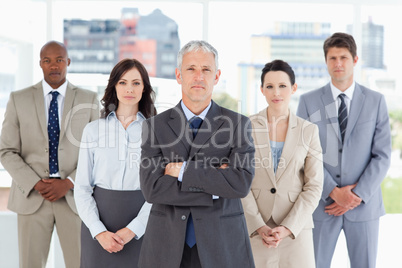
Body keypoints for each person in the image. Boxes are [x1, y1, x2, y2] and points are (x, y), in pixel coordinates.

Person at [138, 40, 255, 268]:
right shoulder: (155, 126)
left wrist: (181, 171)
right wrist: (214, 190)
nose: (198, 76)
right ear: (179, 75)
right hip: (168, 244)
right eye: (191, 69)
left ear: (217, 76)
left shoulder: (238, 124)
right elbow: (151, 189)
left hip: (222, 243)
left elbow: (240, 184)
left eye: (206, 70)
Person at [0, 40, 99, 268]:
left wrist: (70, 182)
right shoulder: (19, 99)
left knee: (80, 264)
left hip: (75, 199)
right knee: (31, 264)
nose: (54, 65)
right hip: (32, 198)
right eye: (47, 61)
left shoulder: (89, 100)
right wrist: (35, 182)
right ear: (40, 64)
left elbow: (97, 151)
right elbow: (6, 150)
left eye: (59, 60)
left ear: (68, 62)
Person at [296, 32, 392, 268]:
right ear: (326, 61)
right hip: (322, 205)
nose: (338, 63)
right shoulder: (308, 102)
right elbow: (303, 152)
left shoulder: (376, 101)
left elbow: (382, 155)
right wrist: (332, 190)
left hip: (364, 207)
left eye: (343, 57)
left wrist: (356, 195)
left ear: (355, 60)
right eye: (332, 58)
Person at [74, 58, 156, 267]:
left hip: (143, 226)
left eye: (136, 83)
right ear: (113, 86)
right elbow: (82, 187)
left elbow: (159, 189)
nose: (129, 88)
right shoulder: (93, 130)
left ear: (144, 88)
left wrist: (135, 229)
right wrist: (98, 231)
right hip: (99, 226)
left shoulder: (157, 133)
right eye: (123, 82)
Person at [241, 60, 323, 268]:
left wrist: (287, 227)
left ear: (294, 88)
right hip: (256, 231)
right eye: (269, 86)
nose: (276, 92)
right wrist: (258, 225)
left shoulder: (308, 131)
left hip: (296, 232)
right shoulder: (246, 127)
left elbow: (313, 186)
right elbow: (241, 181)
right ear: (262, 90)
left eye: (282, 86)